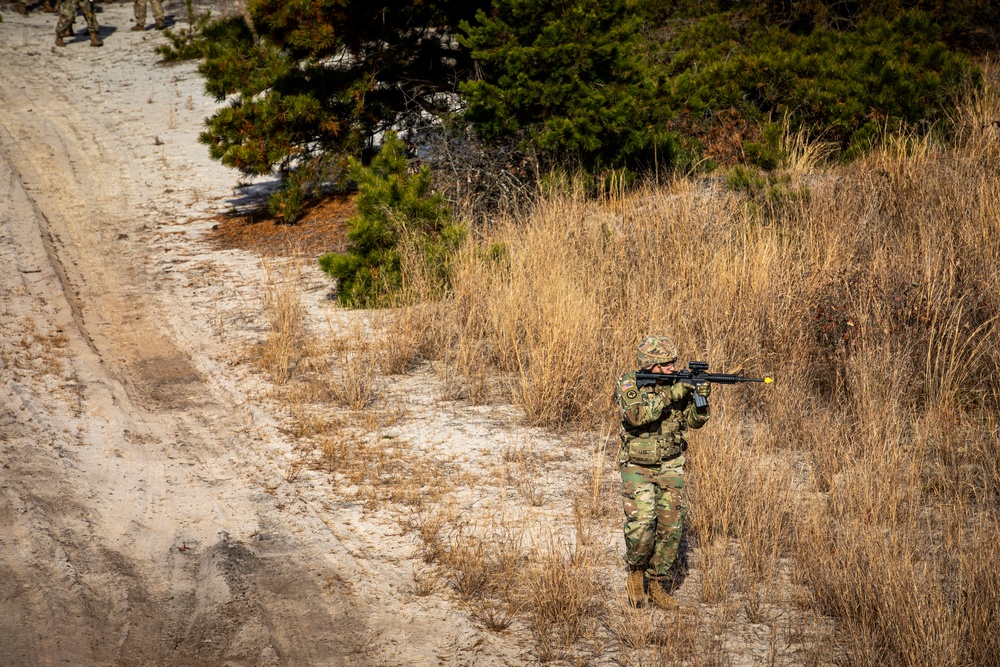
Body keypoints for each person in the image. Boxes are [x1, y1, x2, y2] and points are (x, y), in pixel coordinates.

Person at [613, 335, 711, 609]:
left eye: (673, 363)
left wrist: (701, 398)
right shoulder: (629, 382)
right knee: (642, 526)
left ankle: (656, 583)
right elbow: (636, 416)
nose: (672, 368)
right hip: (637, 466)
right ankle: (635, 572)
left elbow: (694, 422)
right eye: (666, 364)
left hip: (670, 464)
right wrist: (673, 393)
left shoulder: (678, 383)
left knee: (671, 528)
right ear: (650, 364)